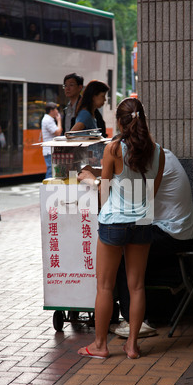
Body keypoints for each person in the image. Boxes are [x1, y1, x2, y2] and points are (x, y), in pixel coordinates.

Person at [77, 97, 165, 359]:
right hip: (142, 223)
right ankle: (132, 345)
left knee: (105, 286)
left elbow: (104, 191)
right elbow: (152, 193)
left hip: (114, 222)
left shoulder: (114, 149)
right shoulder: (158, 151)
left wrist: (92, 181)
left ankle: (101, 345)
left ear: (120, 121)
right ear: (143, 118)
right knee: (137, 286)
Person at [112, 148, 193, 338]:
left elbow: (133, 200)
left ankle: (135, 321)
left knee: (124, 251)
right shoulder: (160, 155)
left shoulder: (155, 163)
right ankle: (138, 315)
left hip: (172, 234)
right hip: (176, 231)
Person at [41, 102, 62, 178]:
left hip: (50, 149)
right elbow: (58, 132)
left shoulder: (48, 119)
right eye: (56, 109)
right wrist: (59, 120)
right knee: (51, 171)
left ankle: (48, 187)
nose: (57, 112)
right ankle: (47, 188)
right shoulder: (48, 120)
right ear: (51, 110)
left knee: (52, 170)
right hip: (49, 150)